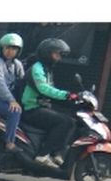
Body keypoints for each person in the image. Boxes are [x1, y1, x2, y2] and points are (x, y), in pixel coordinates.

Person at [22, 38, 77, 168]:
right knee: (63, 122)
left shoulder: (47, 70)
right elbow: (44, 89)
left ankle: (56, 152)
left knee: (71, 121)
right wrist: (66, 94)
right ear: (47, 53)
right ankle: (43, 155)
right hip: (31, 108)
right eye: (56, 54)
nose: (58, 57)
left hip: (41, 106)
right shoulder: (37, 68)